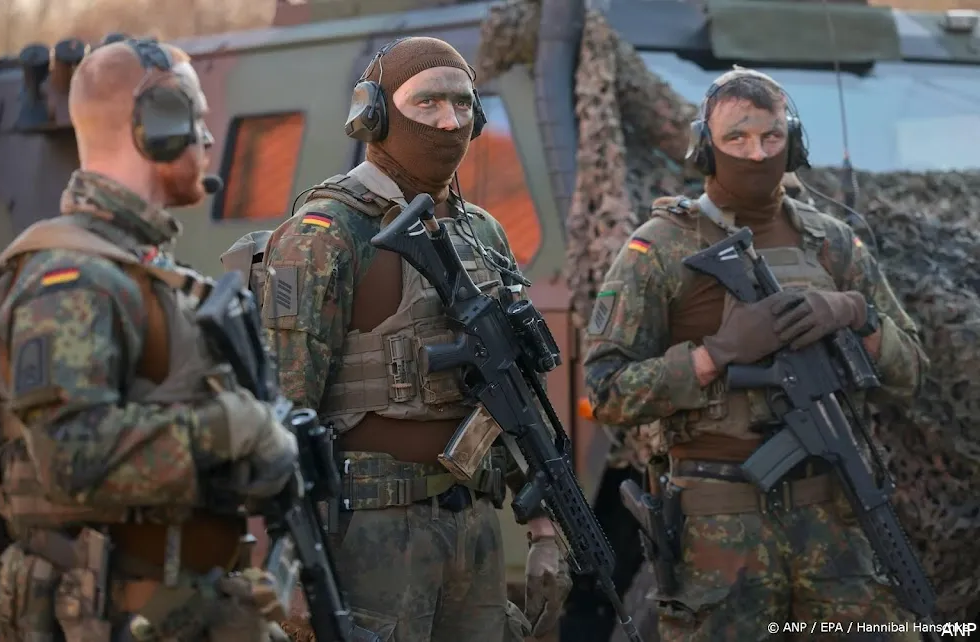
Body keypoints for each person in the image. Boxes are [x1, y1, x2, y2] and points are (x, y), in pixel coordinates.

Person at [0, 38, 297, 642]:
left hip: (174, 610)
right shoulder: (72, 277)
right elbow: (72, 458)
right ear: (158, 125)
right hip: (104, 616)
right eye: (195, 117)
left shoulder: (143, 270)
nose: (207, 138)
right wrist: (229, 428)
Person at [583, 66, 929, 642]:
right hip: (719, 529)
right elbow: (607, 392)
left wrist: (853, 314)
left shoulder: (832, 243)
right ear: (706, 148)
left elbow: (910, 373)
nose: (757, 153)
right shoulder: (660, 248)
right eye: (737, 138)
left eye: (771, 137)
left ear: (793, 143)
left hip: (834, 518)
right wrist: (716, 354)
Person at [258, 36, 569, 642]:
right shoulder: (325, 232)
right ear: (374, 115)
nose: (450, 121)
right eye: (427, 103)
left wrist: (544, 527)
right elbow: (281, 413)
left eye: (463, 103)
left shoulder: (482, 233)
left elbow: (516, 395)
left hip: (472, 527)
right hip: (368, 535)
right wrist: (290, 563)